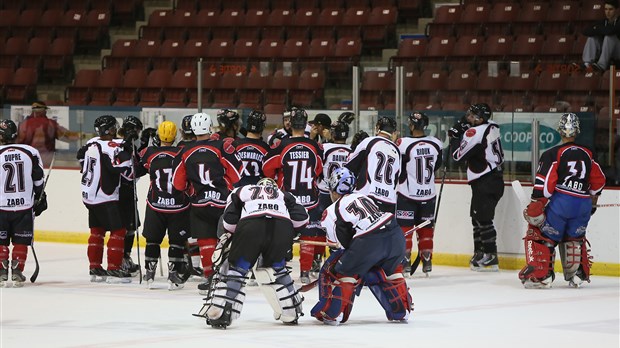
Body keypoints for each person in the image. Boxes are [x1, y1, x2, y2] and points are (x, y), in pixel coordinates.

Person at [201, 177, 308, 328]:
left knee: (238, 269)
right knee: (278, 269)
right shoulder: (284, 194)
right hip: (282, 227)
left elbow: (229, 221)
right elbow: (302, 220)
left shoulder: (241, 190)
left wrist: (236, 236)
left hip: (250, 226)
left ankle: (221, 312)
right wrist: (290, 234)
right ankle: (292, 312)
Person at [311, 167, 413, 325]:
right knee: (390, 270)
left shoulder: (332, 210)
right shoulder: (364, 197)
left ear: (334, 190)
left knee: (342, 270)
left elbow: (338, 247)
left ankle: (334, 314)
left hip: (369, 242)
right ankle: (402, 310)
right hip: (395, 236)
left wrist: (349, 264)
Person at [519, 113, 606, 289]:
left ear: (560, 131)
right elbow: (599, 182)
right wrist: (591, 198)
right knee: (574, 236)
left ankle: (542, 275)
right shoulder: (588, 153)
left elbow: (545, 185)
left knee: (542, 234)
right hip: (583, 204)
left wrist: (537, 203)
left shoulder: (553, 153)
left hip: (561, 203)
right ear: (578, 131)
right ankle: (577, 274)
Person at [172, 112, 242, 293]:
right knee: (224, 239)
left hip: (199, 204)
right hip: (221, 202)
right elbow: (237, 174)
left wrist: (190, 187)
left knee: (205, 242)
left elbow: (177, 184)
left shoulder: (185, 151)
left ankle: (210, 277)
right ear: (210, 126)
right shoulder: (221, 146)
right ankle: (226, 276)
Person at [262, 108, 324, 284]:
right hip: (309, 198)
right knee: (308, 235)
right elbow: (318, 169)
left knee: (282, 234)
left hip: (287, 199)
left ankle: (281, 268)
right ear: (305, 124)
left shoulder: (282, 144)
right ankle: (305, 272)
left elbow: (267, 167)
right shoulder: (314, 146)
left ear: (290, 126)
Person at [449, 103, 504, 272]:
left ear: (480, 119)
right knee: (477, 218)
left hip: (485, 180)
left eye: (472, 116)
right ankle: (480, 253)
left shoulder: (475, 132)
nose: (468, 117)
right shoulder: (491, 127)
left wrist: (455, 137)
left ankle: (490, 255)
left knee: (483, 219)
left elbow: (457, 155)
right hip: (491, 179)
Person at [79, 115, 133, 283]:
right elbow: (122, 168)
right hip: (105, 196)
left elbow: (81, 156)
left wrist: (123, 144)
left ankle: (94, 266)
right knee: (118, 231)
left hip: (89, 196)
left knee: (97, 230)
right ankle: (114, 268)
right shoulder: (111, 147)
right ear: (110, 129)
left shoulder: (91, 143)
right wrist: (127, 150)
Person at [138, 121, 191, 290]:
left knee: (152, 240)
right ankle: (173, 277)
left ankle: (149, 275)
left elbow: (136, 169)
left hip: (156, 204)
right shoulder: (181, 152)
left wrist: (141, 145)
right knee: (176, 241)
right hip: (178, 205)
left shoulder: (149, 153)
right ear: (175, 135)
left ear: (158, 136)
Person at [0, 119, 47, 288]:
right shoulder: (30, 151)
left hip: (1, 207)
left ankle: (2, 271)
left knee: (1, 241)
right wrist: (40, 197)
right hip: (24, 207)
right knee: (21, 240)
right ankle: (18, 270)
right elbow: (38, 179)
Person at [396, 112, 442, 275]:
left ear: (412, 125)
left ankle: (406, 260)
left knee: (405, 228)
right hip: (429, 194)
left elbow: (399, 169)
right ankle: (427, 259)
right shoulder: (436, 143)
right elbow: (437, 165)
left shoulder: (402, 143)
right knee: (426, 228)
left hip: (407, 195)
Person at [345, 116, 401, 214]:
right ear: (393, 131)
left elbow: (350, 165)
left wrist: (354, 147)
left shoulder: (369, 141)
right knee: (383, 229)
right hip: (389, 200)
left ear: (378, 127)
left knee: (362, 229)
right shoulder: (396, 150)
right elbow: (396, 177)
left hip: (367, 197)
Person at [16, 101, 80, 166]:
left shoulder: (23, 125)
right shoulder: (50, 124)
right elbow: (69, 137)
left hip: (27, 159)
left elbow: (17, 144)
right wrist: (81, 135)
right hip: (46, 161)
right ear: (43, 111)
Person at [177, 114, 202, 279]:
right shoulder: (198, 146)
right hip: (196, 194)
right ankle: (196, 266)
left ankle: (185, 263)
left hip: (179, 195)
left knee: (183, 232)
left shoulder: (179, 146)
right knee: (195, 233)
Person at [576, 0, 620, 72]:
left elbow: (610, 31)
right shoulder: (603, 22)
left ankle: (601, 66)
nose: (608, 12)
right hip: (606, 50)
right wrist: (602, 30)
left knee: (609, 37)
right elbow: (585, 31)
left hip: (618, 51)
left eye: (610, 9)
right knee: (592, 37)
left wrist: (597, 29)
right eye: (606, 9)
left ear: (617, 10)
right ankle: (587, 63)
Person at [234, 110, 269, 187]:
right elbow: (268, 173)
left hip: (238, 189)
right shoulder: (266, 148)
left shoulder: (235, 145)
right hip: (257, 191)